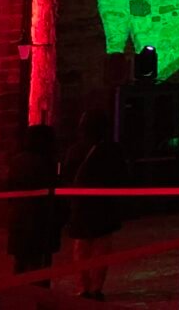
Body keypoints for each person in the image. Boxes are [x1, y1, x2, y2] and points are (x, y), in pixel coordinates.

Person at [62, 110, 126, 301]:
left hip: (81, 206)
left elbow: (66, 176)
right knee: (101, 248)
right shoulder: (112, 150)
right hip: (103, 206)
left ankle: (83, 287)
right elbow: (120, 176)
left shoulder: (75, 150)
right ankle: (96, 287)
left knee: (81, 249)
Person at [8, 124, 62, 281]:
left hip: (19, 219)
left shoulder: (17, 161)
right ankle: (38, 301)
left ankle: (20, 298)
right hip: (40, 221)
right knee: (39, 267)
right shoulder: (45, 162)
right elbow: (52, 189)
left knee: (20, 263)